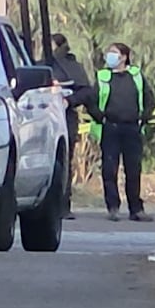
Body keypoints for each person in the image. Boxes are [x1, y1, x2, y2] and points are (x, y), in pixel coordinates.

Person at [89, 42, 155, 222]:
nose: (109, 55)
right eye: (109, 52)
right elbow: (91, 101)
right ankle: (113, 207)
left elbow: (150, 100)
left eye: (114, 52)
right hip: (110, 128)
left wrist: (144, 117)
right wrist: (99, 117)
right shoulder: (103, 76)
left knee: (133, 170)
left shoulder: (136, 76)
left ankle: (136, 209)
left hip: (132, 128)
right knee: (109, 170)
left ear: (124, 57)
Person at [49, 33, 95, 220]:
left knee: (64, 162)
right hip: (43, 117)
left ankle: (63, 205)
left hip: (66, 118)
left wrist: (70, 100)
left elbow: (86, 91)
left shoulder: (72, 66)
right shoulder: (41, 63)